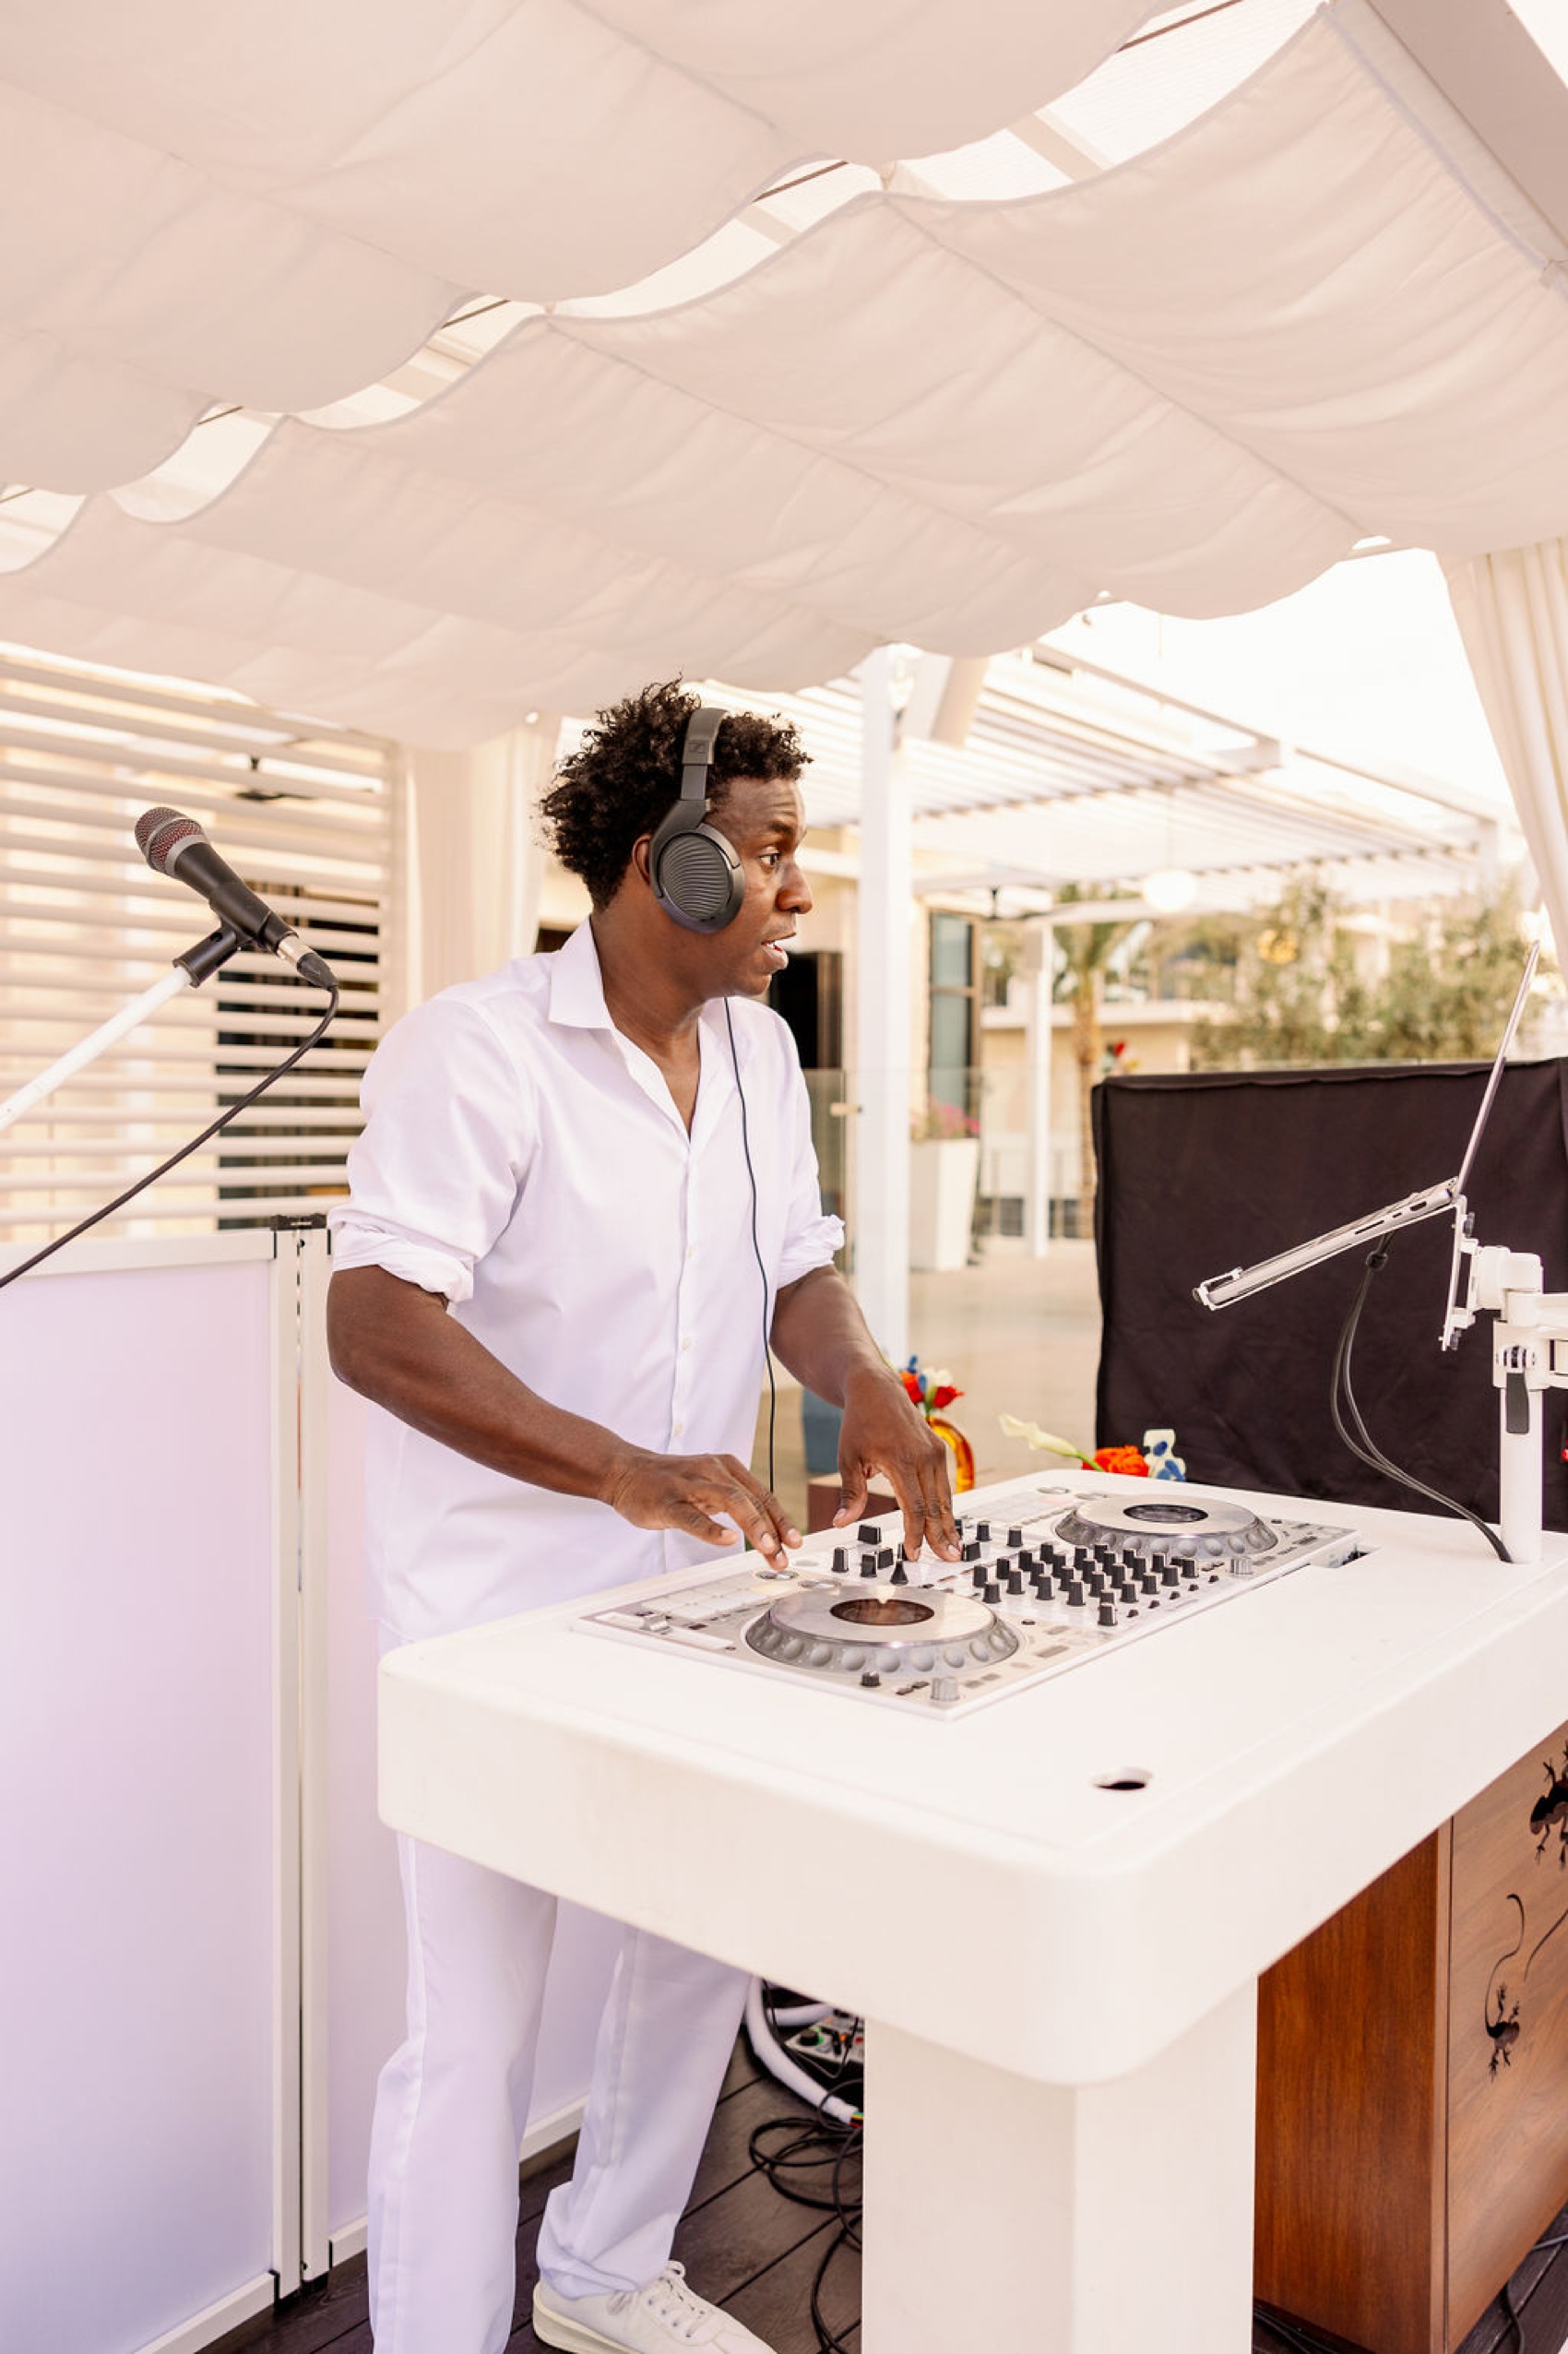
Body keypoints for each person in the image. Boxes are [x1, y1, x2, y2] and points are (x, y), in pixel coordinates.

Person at [327, 680, 959, 2354]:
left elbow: (795, 1272)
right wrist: (620, 1467)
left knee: (696, 1941)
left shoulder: (759, 1052)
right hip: (492, 1622)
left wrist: (868, 1391)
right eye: (765, 854)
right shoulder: (472, 1051)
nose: (797, 890)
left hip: (689, 1600)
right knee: (477, 2029)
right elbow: (376, 1323)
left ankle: (608, 2272)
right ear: (658, 861)